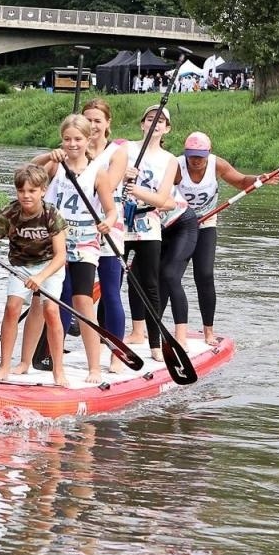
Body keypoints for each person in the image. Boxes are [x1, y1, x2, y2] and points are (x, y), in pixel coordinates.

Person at [160, 132, 279, 347]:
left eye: (200, 156)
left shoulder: (217, 165)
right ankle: (154, 325)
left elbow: (240, 181)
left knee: (205, 275)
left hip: (206, 224)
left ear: (208, 153)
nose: (196, 161)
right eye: (192, 155)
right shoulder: (176, 166)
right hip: (178, 225)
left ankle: (208, 332)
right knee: (168, 274)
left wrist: (258, 179)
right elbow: (160, 192)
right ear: (185, 153)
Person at [0, 164, 70, 386]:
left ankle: (58, 371)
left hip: (49, 267)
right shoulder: (8, 214)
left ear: (43, 190)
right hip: (19, 266)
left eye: (32, 191)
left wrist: (40, 277)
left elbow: (61, 256)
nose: (26, 196)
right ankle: (3, 367)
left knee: (50, 310)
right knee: (12, 308)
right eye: (21, 191)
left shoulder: (52, 215)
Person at [38, 114, 119, 383]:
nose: (72, 144)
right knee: (48, 301)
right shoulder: (55, 166)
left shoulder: (99, 172)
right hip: (56, 242)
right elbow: (24, 174)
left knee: (83, 302)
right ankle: (41, 360)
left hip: (84, 243)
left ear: (88, 140)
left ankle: (94, 367)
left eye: (78, 139)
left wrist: (107, 223)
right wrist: (45, 157)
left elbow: (111, 211)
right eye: (67, 139)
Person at [120, 103, 177, 363]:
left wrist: (136, 189)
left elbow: (162, 198)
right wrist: (123, 176)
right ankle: (106, 339)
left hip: (148, 223)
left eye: (160, 121)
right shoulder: (126, 149)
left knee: (151, 284)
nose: (155, 124)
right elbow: (106, 180)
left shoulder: (170, 160)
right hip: (120, 221)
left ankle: (155, 343)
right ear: (142, 123)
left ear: (167, 129)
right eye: (150, 119)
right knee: (112, 281)